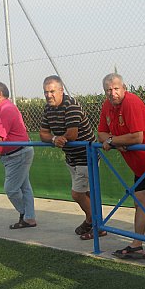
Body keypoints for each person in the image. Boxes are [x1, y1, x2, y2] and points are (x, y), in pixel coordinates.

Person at [97, 73, 145, 259]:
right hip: (140, 165)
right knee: (139, 202)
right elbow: (100, 132)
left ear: (124, 88)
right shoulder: (106, 106)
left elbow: (137, 137)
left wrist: (113, 141)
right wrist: (113, 141)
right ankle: (137, 243)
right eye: (109, 90)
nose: (113, 93)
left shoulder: (131, 102)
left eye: (116, 88)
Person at [38, 75, 106, 240]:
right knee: (87, 193)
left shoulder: (71, 105)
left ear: (61, 90)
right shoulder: (48, 109)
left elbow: (72, 135)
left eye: (52, 91)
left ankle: (94, 223)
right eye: (46, 92)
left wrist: (58, 138)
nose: (49, 95)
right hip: (71, 157)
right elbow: (43, 133)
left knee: (77, 194)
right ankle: (96, 224)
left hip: (86, 154)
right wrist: (54, 139)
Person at [0, 81, 36, 229]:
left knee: (11, 188)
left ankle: (26, 215)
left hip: (19, 154)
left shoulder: (6, 109)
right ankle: (29, 219)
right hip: (13, 155)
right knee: (24, 187)